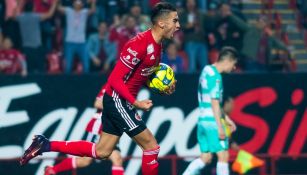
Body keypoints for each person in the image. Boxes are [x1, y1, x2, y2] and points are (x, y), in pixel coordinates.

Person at [19, 2, 180, 175]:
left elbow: (140, 75)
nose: (178, 25)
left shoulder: (158, 46)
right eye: (175, 20)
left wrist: (160, 87)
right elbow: (114, 79)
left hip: (121, 101)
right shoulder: (139, 43)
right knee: (151, 146)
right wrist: (136, 102)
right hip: (119, 100)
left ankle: (46, 144)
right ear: (162, 23)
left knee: (101, 152)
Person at [44, 85, 124, 175]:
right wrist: (116, 106)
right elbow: (97, 103)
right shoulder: (111, 84)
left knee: (117, 159)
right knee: (86, 160)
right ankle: (53, 169)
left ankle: (53, 169)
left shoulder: (129, 87)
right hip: (98, 127)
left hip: (112, 130)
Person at [182, 47, 238, 175]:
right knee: (223, 156)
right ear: (228, 61)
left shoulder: (206, 70)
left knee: (205, 158)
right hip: (212, 122)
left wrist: (228, 119)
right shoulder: (216, 77)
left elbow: (211, 101)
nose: (234, 68)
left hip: (202, 121)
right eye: (234, 64)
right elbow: (215, 103)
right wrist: (220, 127)